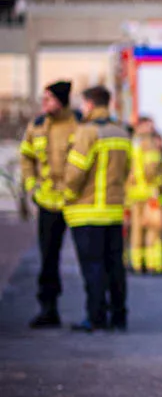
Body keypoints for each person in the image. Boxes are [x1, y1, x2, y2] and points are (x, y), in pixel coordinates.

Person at [64, 85, 131, 332]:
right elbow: (126, 170)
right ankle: (119, 316)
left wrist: (68, 196)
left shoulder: (86, 132)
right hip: (113, 212)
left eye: (83, 104)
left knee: (93, 267)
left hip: (87, 213)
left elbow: (74, 174)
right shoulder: (121, 132)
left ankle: (95, 317)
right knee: (115, 266)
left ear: (90, 105)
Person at [20, 81, 79, 328]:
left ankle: (95, 311)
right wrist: (31, 186)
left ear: (62, 101)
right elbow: (26, 156)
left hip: (75, 200)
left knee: (89, 257)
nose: (44, 104)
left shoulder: (78, 124)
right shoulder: (36, 126)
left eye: (49, 99)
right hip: (47, 201)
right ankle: (48, 308)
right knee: (48, 258)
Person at [126, 116, 162, 274]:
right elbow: (152, 169)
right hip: (151, 194)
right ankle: (153, 264)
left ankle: (137, 263)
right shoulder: (150, 144)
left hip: (135, 194)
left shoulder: (132, 142)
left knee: (136, 230)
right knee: (154, 231)